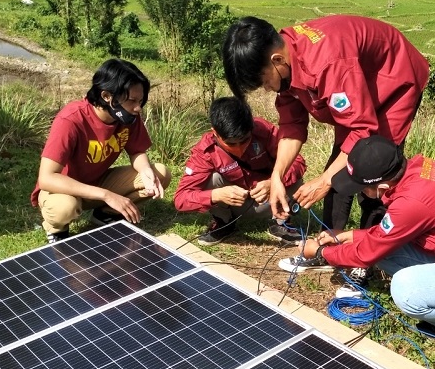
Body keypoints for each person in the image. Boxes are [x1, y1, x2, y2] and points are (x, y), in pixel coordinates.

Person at [222, 15, 429, 289]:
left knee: (373, 172)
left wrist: (324, 180)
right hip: (357, 85)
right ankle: (327, 248)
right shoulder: (288, 61)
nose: (268, 88)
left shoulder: (329, 63)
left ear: (276, 60)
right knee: (339, 168)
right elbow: (292, 125)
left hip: (393, 81)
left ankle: (363, 260)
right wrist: (277, 176)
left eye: (264, 81)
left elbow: (362, 130)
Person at [291, 135, 435, 339]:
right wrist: (350, 235)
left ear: (382, 188)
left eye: (361, 188)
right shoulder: (418, 171)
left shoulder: (413, 202)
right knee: (384, 252)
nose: (360, 193)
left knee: (406, 290)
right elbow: (386, 236)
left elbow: (365, 255)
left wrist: (321, 252)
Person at [31, 58, 170, 244]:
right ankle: (57, 228)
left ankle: (104, 214)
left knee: (160, 173)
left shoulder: (128, 117)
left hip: (98, 182)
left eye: (141, 100)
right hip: (64, 190)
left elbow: (137, 151)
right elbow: (47, 178)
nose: (138, 108)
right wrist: (107, 195)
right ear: (106, 96)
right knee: (65, 207)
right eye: (132, 101)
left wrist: (145, 170)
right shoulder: (71, 120)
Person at [174, 96, 306, 246]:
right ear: (215, 133)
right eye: (230, 143)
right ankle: (224, 223)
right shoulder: (205, 151)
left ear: (251, 128)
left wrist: (273, 182)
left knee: (295, 178)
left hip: (269, 200)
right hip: (235, 205)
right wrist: (216, 195)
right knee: (212, 180)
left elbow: (298, 162)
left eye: (244, 140)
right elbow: (181, 199)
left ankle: (281, 223)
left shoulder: (263, 130)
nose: (239, 148)